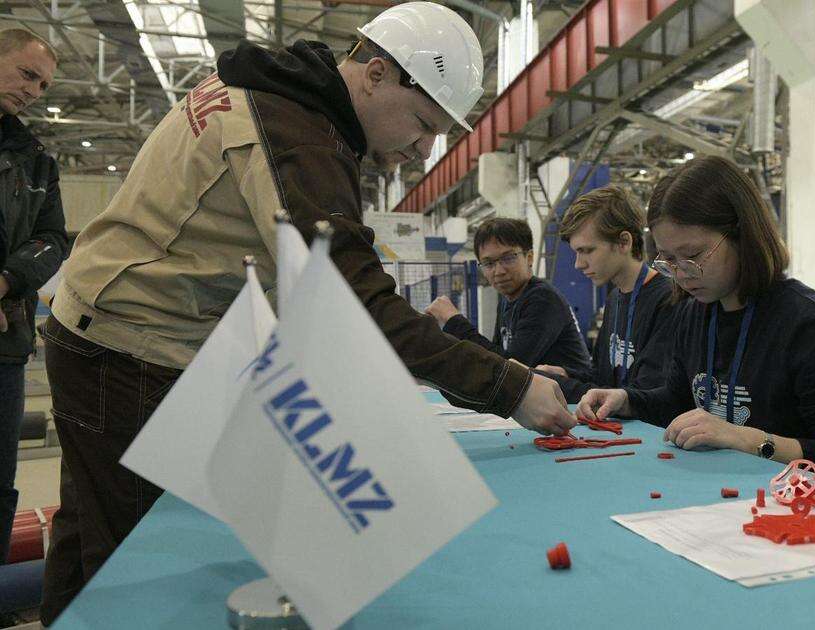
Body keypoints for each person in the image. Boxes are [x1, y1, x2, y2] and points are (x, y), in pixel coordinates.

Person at [40, 3, 573, 623]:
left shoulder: (288, 103)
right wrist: (508, 387)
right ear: (376, 74)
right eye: (424, 123)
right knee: (133, 566)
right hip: (131, 351)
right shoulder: (292, 131)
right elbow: (352, 303)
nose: (424, 147)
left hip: (111, 333)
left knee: (87, 543)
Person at [577, 156, 815, 483]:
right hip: (718, 494)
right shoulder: (695, 312)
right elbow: (675, 401)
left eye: (693, 256)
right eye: (670, 260)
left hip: (794, 505)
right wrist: (627, 400)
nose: (681, 274)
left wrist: (748, 439)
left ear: (742, 235)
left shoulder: (810, 324)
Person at [0, 29, 68, 564]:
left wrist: (6, 281)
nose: (33, 91)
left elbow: (53, 239)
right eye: (26, 74)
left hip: (6, 344)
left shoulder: (35, 159)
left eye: (42, 85)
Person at [538, 185, 678, 402]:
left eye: (587, 251)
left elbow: (645, 395)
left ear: (624, 242)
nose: (578, 264)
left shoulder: (668, 300)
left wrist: (555, 385)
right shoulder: (615, 299)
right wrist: (565, 374)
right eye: (576, 253)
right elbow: (604, 378)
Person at [426, 217, 593, 379]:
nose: (499, 271)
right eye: (489, 263)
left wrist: (454, 321)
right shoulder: (507, 300)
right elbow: (496, 355)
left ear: (529, 257)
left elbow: (508, 369)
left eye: (508, 258)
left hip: (573, 400)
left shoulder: (542, 299)